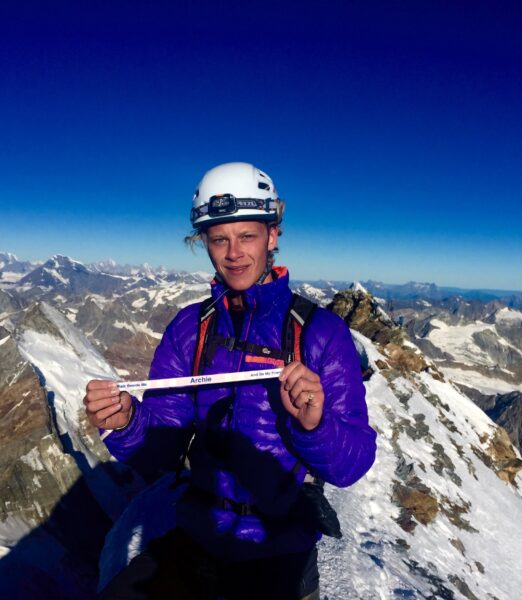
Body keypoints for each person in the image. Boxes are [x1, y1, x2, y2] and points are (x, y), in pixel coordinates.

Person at [84, 162, 377, 599]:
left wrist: (315, 427)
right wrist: (126, 422)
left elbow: (351, 465)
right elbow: (160, 450)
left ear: (272, 236)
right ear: (204, 242)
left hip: (280, 550)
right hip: (198, 535)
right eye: (219, 238)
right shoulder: (190, 328)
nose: (233, 253)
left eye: (247, 236)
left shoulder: (319, 333)